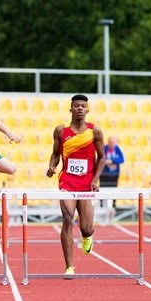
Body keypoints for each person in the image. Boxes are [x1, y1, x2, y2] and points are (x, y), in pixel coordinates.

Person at [46, 94, 106, 277]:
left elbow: (102, 158)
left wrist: (95, 179)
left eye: (83, 106)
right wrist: (52, 166)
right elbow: (55, 153)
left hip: (87, 182)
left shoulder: (95, 131)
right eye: (76, 106)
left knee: (86, 227)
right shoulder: (60, 131)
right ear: (70, 109)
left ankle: (87, 236)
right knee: (67, 218)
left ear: (88, 110)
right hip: (68, 181)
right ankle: (69, 266)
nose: (80, 108)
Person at [99, 136, 124, 220]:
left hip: (114, 175)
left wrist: (112, 161)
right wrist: (106, 162)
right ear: (108, 142)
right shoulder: (104, 148)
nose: (112, 144)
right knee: (102, 191)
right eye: (111, 142)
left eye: (114, 142)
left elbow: (121, 159)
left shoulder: (117, 149)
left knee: (114, 191)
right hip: (104, 174)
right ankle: (102, 207)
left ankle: (113, 207)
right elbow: (100, 159)